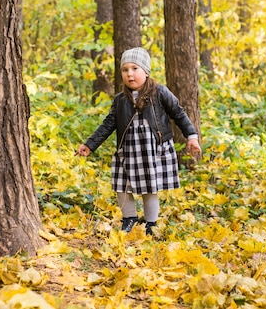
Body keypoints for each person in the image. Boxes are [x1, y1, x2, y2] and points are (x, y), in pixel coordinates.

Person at [75, 47, 201, 235]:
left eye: (135, 68)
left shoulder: (159, 92)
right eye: (125, 70)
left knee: (149, 188)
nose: (130, 74)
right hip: (128, 150)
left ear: (146, 71)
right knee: (122, 186)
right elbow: (108, 125)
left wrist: (191, 136)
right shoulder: (120, 100)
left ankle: (151, 224)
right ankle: (129, 219)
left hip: (152, 150)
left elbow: (178, 112)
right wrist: (89, 144)